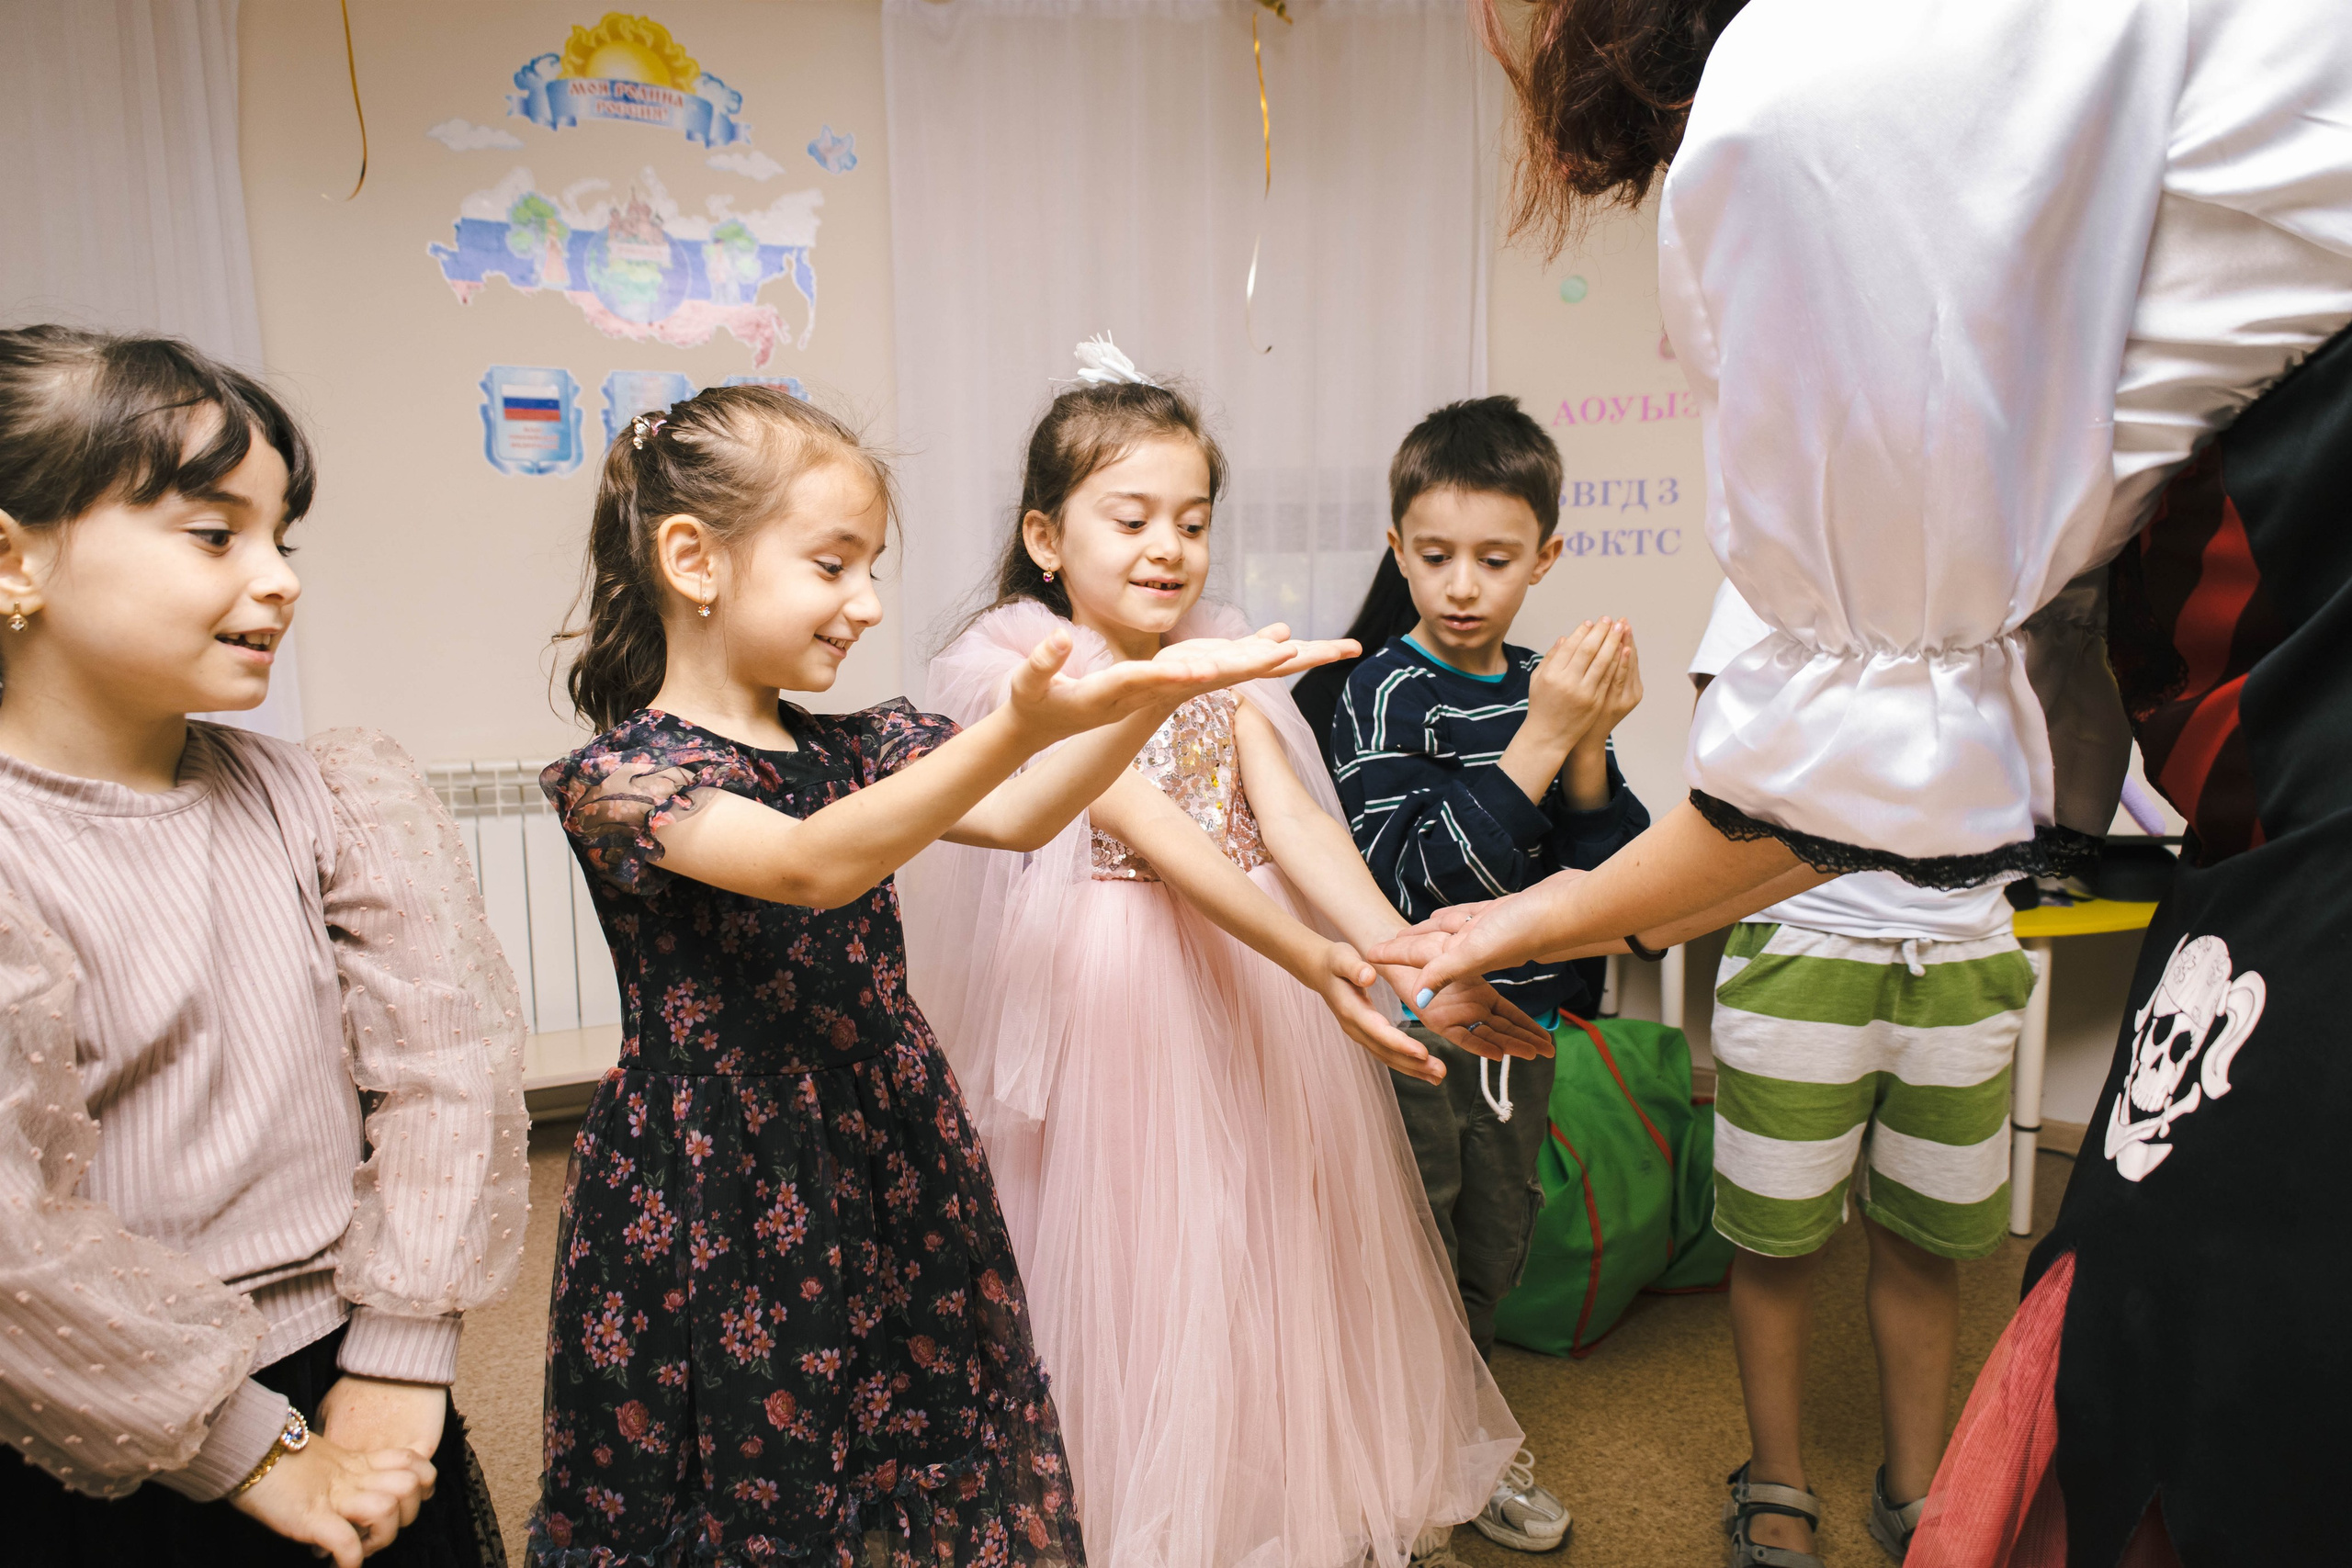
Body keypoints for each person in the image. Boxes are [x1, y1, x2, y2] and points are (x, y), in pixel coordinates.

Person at [1381, 3, 2352, 1562]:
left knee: (2196, 1376)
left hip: (2311, 815)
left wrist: (1533, 912)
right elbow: (1848, 786)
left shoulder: (1825, 84)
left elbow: (1833, 785)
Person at [527, 383, 1337, 1566]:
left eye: (872, 568)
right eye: (832, 565)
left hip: (885, 1139)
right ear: (695, 561)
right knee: (757, 1450)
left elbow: (1017, 819)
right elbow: (811, 864)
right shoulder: (624, 777)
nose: (864, 604)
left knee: (906, 1428)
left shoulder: (855, 740)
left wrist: (1152, 694)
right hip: (724, 1173)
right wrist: (1020, 724)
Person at [903, 347, 1537, 1568]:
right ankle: (1120, 1482)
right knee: (1137, 1233)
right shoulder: (1018, 665)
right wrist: (1314, 959)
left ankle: (1252, 1475)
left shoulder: (1226, 642)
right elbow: (1151, 828)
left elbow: (1290, 821)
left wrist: (1396, 950)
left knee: (1264, 1219)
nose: (1168, 548)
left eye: (1192, 521)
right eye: (1130, 517)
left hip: (1251, 972)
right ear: (1047, 535)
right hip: (1122, 973)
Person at [0, 325, 527, 1567]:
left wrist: (404, 1356)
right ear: (13, 557)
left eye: (282, 536)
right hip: (114, 1411)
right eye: (214, 532)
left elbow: (447, 1072)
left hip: (354, 1361)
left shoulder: (329, 796)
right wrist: (251, 1446)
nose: (281, 576)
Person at [1329, 395, 1651, 1555]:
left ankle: (1463, 1433)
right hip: (1415, 1027)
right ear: (1397, 551)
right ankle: (1406, 1462)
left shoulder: (1546, 684)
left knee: (1495, 1236)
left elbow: (1609, 877)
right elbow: (1406, 884)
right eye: (1435, 556)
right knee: (1410, 1238)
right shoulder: (1384, 691)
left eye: (1496, 558)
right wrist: (1538, 736)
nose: (1463, 585)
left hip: (1522, 1026)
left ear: (1545, 559)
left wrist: (1590, 743)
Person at [1688, 581, 2037, 1566]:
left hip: (1963, 957)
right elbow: (1720, 747)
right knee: (1775, 1241)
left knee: (1928, 1241)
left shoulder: (2004, 562)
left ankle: (1916, 1488)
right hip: (1803, 948)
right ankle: (1776, 1476)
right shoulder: (1780, 559)